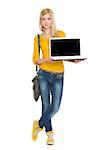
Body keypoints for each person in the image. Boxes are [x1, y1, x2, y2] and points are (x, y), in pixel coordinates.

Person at [32, 8, 80, 145]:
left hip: (58, 75)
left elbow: (64, 55)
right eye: (43, 19)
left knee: (55, 107)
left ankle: (39, 124)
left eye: (48, 18)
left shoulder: (60, 34)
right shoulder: (38, 38)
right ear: (40, 21)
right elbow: (35, 59)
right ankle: (50, 133)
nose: (46, 22)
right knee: (46, 105)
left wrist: (74, 60)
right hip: (43, 74)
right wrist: (47, 60)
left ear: (52, 20)